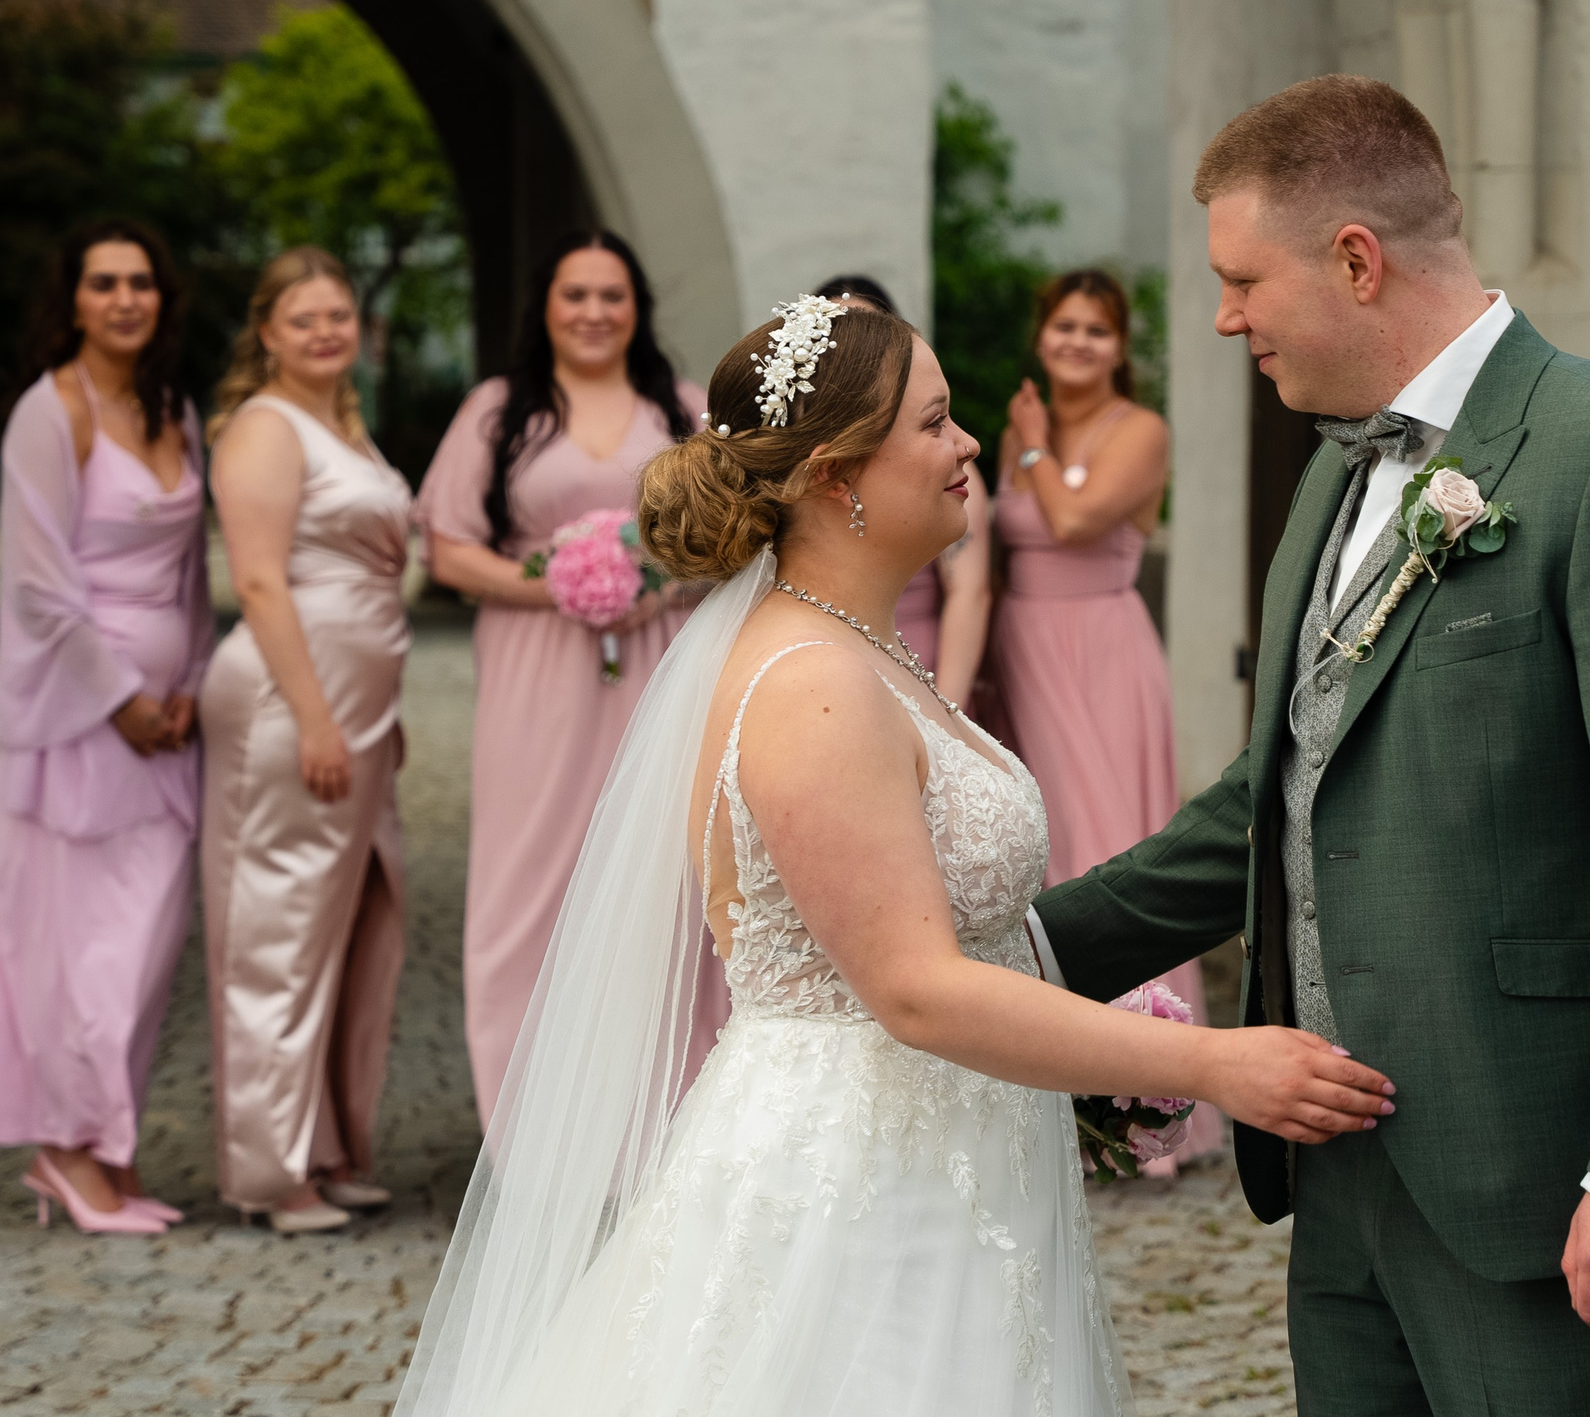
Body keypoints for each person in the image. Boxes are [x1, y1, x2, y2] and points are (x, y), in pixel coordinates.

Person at [392, 295, 1392, 1415]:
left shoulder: (860, 647)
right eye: (932, 422)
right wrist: (1214, 1066)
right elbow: (912, 989)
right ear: (835, 476)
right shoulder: (811, 685)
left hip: (936, 1156)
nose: (968, 444)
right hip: (855, 1185)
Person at [1029, 75, 1590, 1414]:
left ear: (1355, 259)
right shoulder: (1334, 474)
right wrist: (1013, 954)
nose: (1221, 318)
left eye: (1240, 280)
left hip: (1555, 1173)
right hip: (1345, 1171)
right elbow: (1275, 799)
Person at [0, 218, 212, 1236]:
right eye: (104, 283)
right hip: (82, 722)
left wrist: (186, 678)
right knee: (75, 948)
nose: (124, 300)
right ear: (72, 300)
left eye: (141, 282)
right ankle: (64, 1152)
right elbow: (42, 585)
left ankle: (110, 1141)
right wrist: (122, 699)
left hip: (168, 722)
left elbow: (193, 571)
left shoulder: (175, 408)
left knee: (144, 944)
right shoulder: (46, 413)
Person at [412, 230, 709, 1123]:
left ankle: (663, 1117)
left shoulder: (682, 410)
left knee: (667, 876)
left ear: (637, 307)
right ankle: (533, 1122)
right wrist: (560, 587)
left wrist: (655, 583)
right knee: (530, 874)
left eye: (610, 296)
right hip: (535, 664)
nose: (592, 313)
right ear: (546, 306)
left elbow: (733, 540)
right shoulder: (498, 412)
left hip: (662, 657)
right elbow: (450, 551)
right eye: (575, 295)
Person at [200, 246, 413, 1236]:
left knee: (356, 918)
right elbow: (256, 582)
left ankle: (326, 1146)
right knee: (276, 928)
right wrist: (317, 715)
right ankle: (271, 1168)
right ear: (267, 333)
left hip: (359, 711)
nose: (326, 330)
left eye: (339, 315)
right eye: (304, 318)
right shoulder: (263, 427)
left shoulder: (346, 431)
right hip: (294, 703)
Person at [991, 268, 1220, 1171]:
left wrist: (1038, 448)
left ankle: (1142, 1104)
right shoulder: (1017, 430)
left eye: (1097, 330)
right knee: (1037, 855)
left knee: (1110, 848)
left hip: (1100, 656)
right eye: (1064, 327)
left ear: (1120, 348)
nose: (1078, 343)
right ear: (1041, 336)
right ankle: (1049, 1098)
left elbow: (1078, 520)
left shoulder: (1140, 431)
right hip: (1023, 653)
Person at [813, 273, 992, 703]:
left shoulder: (950, 473)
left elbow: (968, 591)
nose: (967, 445)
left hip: (919, 662)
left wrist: (948, 709)